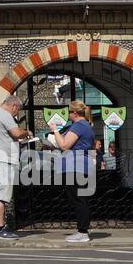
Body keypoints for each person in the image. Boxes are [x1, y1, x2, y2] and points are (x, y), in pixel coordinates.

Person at [47, 100, 96, 243]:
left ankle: (83, 232)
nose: (68, 115)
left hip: (76, 167)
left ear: (74, 113)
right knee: (80, 198)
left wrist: (55, 130)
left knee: (78, 199)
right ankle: (82, 230)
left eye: (69, 112)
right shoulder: (87, 125)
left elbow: (64, 145)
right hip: (82, 166)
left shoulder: (79, 126)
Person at [0, 95, 31, 240]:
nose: (16, 113)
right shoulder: (4, 115)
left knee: (3, 195)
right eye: (17, 110)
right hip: (2, 161)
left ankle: (1, 227)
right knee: (2, 196)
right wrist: (27, 133)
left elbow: (7, 137)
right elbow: (17, 133)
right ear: (14, 106)